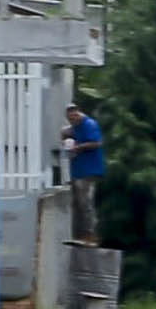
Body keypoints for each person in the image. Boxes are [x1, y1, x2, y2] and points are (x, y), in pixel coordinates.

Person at [60, 103, 104, 245]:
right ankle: (79, 235)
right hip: (78, 170)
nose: (71, 121)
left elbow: (97, 142)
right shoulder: (75, 127)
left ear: (78, 114)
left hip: (89, 170)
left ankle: (90, 235)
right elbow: (67, 133)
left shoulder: (89, 124)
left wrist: (78, 147)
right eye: (69, 119)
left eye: (73, 118)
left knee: (85, 203)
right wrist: (65, 134)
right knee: (77, 203)